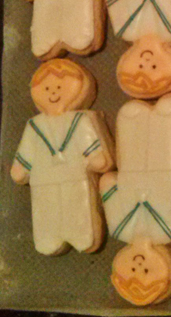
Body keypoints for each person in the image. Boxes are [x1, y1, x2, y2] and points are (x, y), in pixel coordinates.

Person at [102, 93, 171, 306]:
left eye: (131, 270)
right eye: (146, 270)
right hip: (166, 168)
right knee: (170, 116)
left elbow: (108, 183)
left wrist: (111, 184)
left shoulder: (118, 229)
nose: (138, 264)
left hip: (132, 170)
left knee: (132, 118)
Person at [11, 59, 113, 255]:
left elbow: (94, 151)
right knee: (46, 210)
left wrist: (96, 157)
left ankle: (81, 235)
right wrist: (20, 168)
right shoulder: (34, 125)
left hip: (75, 177)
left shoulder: (80, 120)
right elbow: (27, 152)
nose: (53, 93)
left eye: (59, 87)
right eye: (46, 88)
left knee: (76, 206)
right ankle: (49, 239)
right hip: (43, 181)